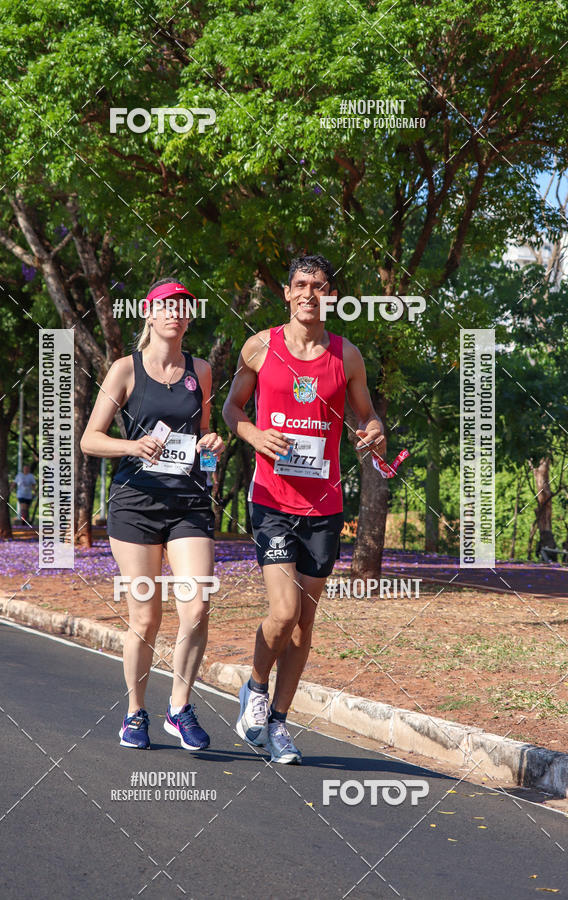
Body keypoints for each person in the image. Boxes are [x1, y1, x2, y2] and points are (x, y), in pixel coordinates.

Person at [223, 254, 385, 764]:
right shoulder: (260, 347)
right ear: (288, 294)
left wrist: (374, 433)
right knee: (283, 610)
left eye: (319, 285)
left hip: (325, 504)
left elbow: (369, 416)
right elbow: (232, 408)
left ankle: (278, 724)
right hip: (272, 499)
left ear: (330, 295)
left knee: (303, 626)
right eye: (300, 284)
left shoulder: (347, 356)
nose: (309, 293)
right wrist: (252, 434)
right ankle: (254, 688)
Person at [81, 279, 224, 750]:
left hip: (188, 504)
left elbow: (202, 432)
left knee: (198, 606)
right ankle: (134, 713)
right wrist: (132, 445)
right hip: (136, 503)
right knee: (145, 618)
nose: (175, 314)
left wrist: (212, 445)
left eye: (183, 307)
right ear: (149, 314)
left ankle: (179, 708)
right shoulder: (125, 370)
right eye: (166, 306)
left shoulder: (200, 370)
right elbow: (90, 439)